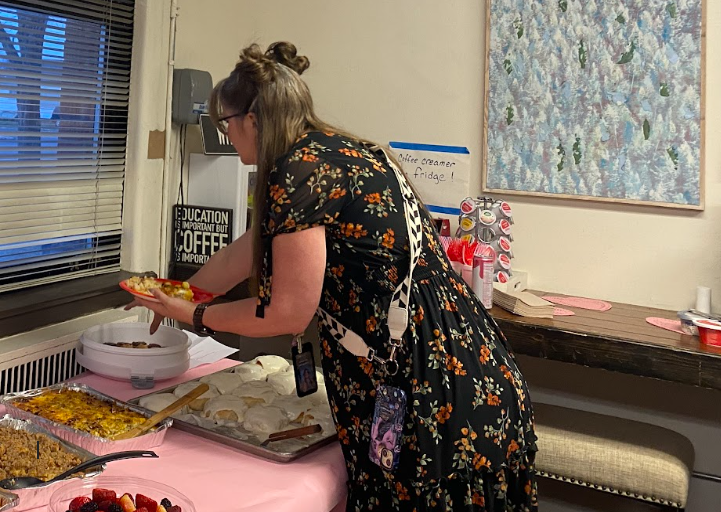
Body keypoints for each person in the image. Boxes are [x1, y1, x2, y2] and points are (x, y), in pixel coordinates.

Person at [127, 42, 538, 511]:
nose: (227, 135)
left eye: (226, 123)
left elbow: (285, 312)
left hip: (428, 387)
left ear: (252, 120)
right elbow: (245, 253)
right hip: (470, 364)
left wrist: (197, 314)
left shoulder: (296, 172)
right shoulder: (347, 151)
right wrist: (173, 291)